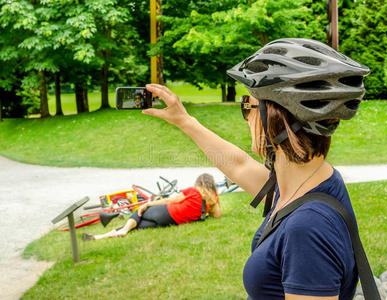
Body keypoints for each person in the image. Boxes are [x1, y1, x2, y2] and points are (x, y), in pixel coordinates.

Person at [142, 38, 370, 300]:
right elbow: (238, 165)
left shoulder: (308, 228)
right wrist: (184, 121)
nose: (246, 117)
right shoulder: (310, 184)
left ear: (275, 118)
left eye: (247, 107)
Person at [83, 173, 221, 240]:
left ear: (198, 182)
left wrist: (148, 204)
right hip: (171, 222)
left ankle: (124, 229)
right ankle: (98, 237)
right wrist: (215, 200)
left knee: (139, 212)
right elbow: (217, 215)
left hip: (167, 212)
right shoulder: (212, 200)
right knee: (137, 226)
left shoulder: (193, 191)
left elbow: (169, 200)